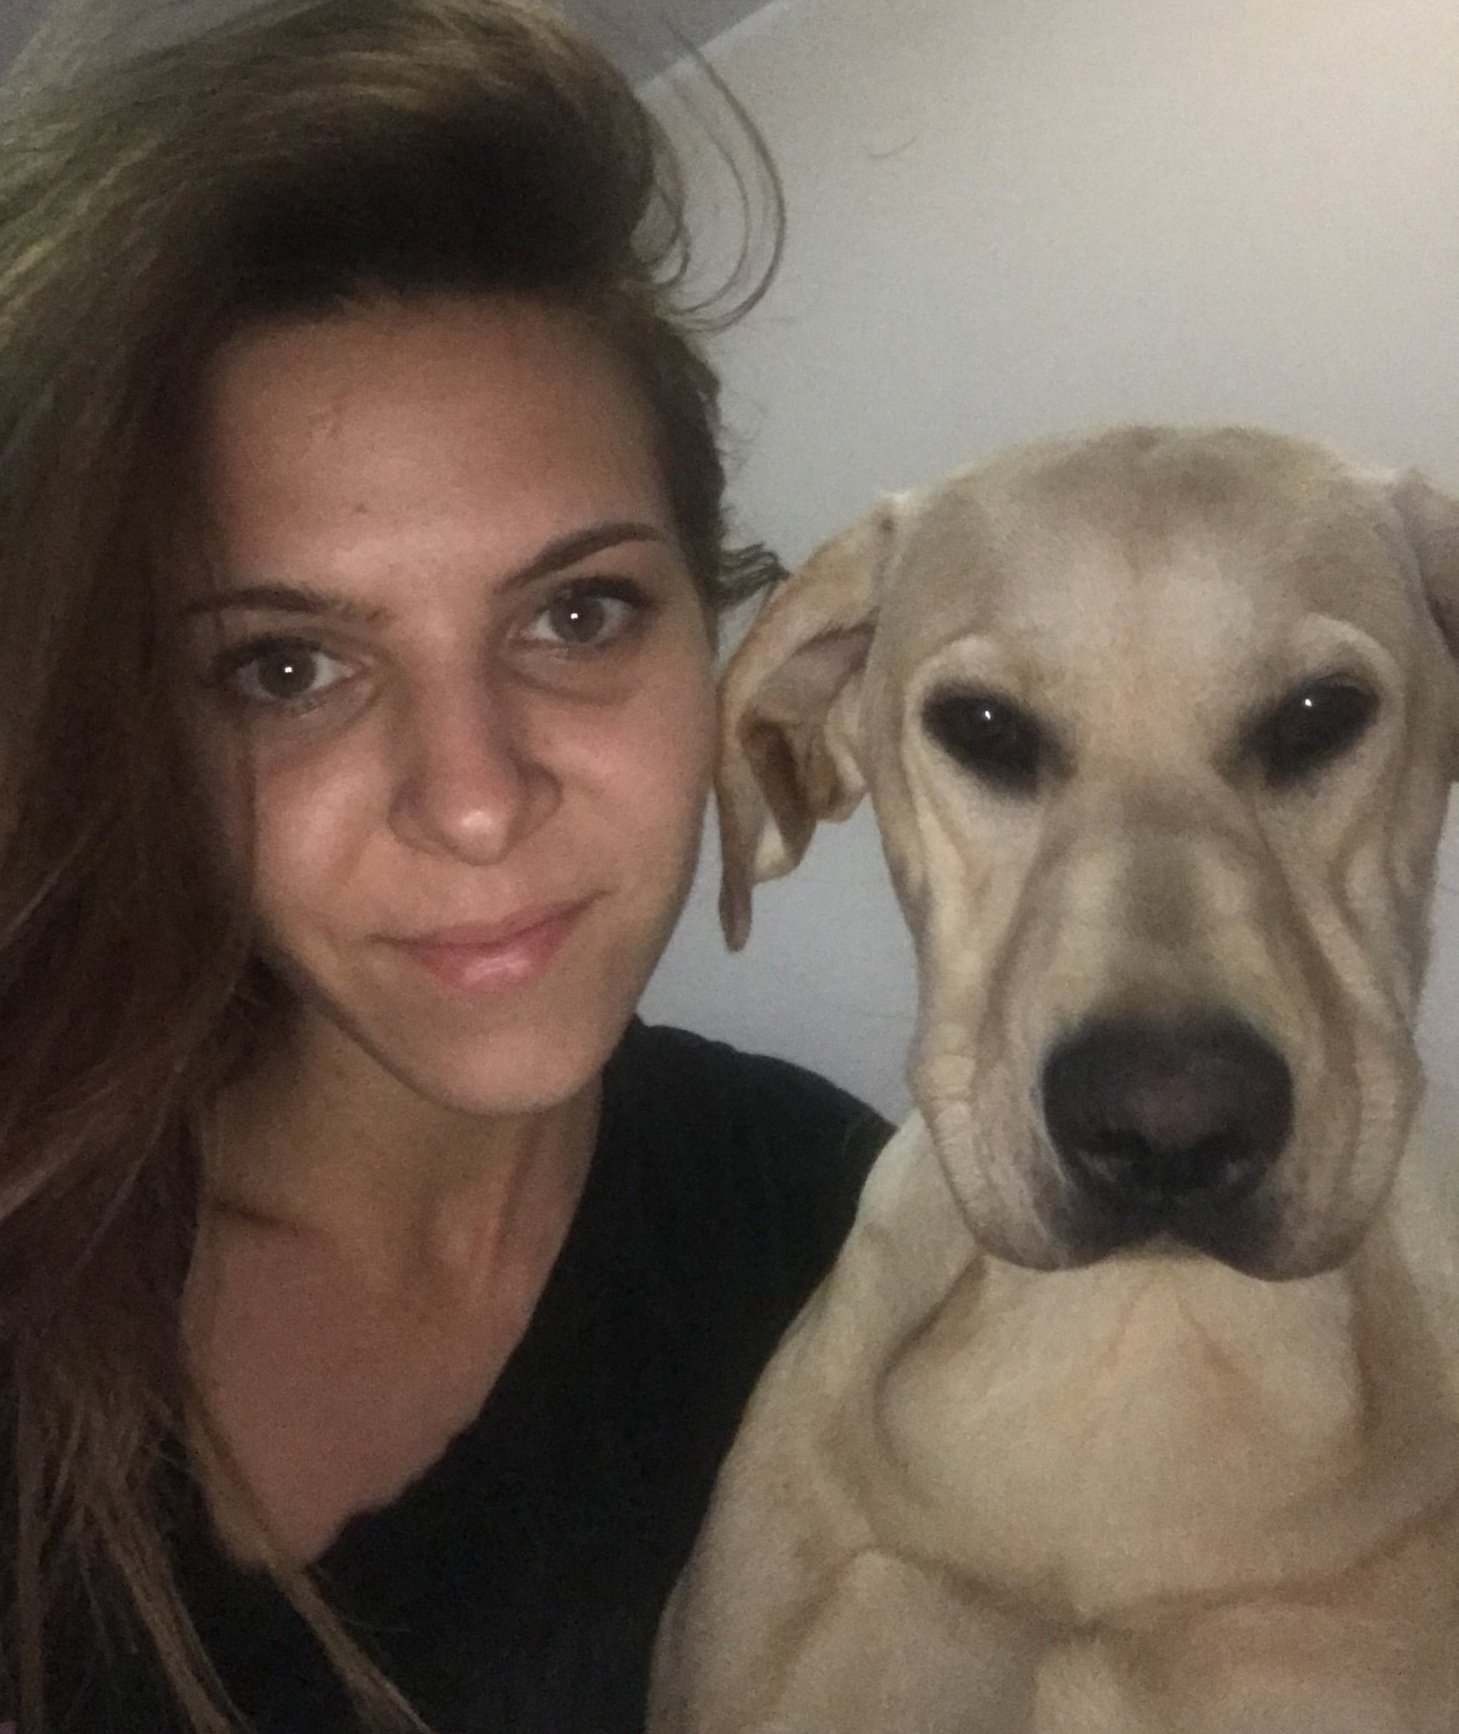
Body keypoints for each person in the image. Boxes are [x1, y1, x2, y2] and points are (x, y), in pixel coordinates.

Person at [0, 1, 891, 1729]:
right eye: (287, 666)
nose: (475, 803)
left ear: (711, 621)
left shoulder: (830, 1227)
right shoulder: (39, 1256)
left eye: (578, 613)